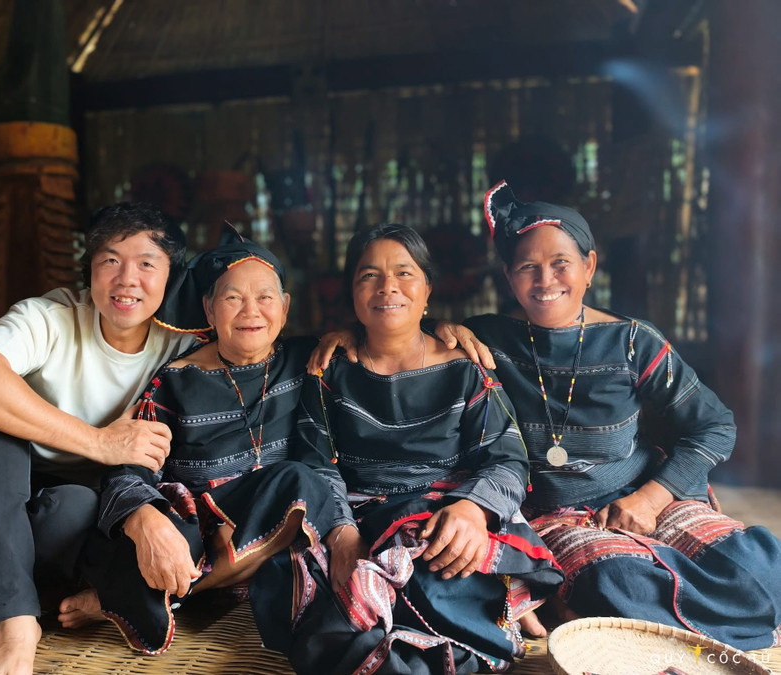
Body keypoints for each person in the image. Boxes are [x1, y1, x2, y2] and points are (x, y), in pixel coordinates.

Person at [0, 202, 206, 675]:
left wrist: (345, 335)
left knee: (76, 507)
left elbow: (263, 349)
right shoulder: (51, 317)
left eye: (147, 263)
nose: (126, 279)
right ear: (89, 269)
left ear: (172, 276)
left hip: (74, 510)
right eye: (110, 260)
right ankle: (14, 621)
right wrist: (98, 442)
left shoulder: (183, 343)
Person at [455, 180, 781, 650]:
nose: (545, 280)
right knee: (616, 583)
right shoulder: (484, 340)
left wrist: (650, 501)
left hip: (648, 495)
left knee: (763, 568)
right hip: (558, 516)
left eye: (560, 263)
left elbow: (715, 425)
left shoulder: (633, 343)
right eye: (528, 267)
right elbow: (404, 339)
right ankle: (664, 614)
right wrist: (439, 330)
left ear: (589, 267)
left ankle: (621, 619)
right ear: (509, 277)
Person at [253, 223, 563, 675]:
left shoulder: (465, 370)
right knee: (301, 585)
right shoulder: (329, 372)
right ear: (353, 294)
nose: (387, 288)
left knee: (438, 576)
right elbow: (314, 463)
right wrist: (341, 533)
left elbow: (506, 457)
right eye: (369, 276)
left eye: (404, 273)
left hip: (443, 514)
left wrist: (473, 512)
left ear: (427, 290)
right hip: (357, 517)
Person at [63, 228, 337, 655]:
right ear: (209, 308)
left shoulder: (309, 360)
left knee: (304, 489)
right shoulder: (176, 381)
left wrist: (443, 328)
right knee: (289, 496)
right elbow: (129, 468)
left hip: (272, 528)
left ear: (284, 308)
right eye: (232, 298)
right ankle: (168, 587)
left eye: (265, 297)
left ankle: (133, 598)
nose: (251, 311)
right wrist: (147, 521)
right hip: (198, 533)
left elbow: (391, 336)